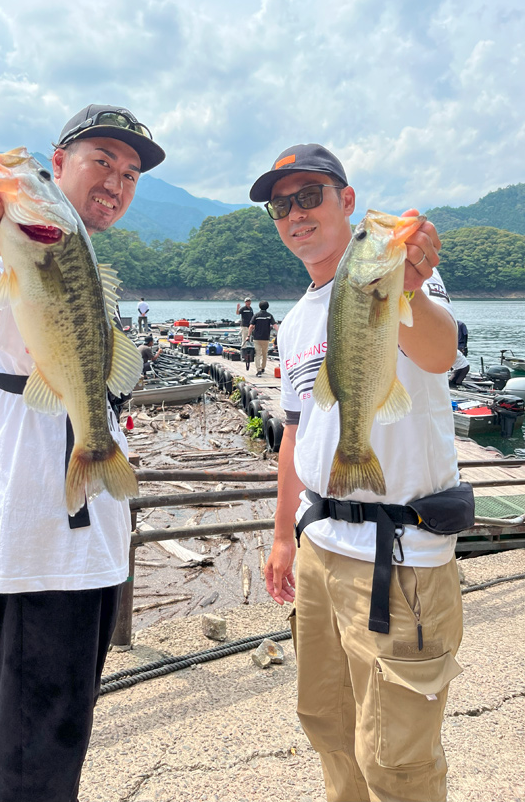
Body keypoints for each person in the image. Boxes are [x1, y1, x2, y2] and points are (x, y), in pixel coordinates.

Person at [0, 104, 165, 802]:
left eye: (130, 174)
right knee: (29, 759)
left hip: (94, 548)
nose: (116, 182)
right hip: (40, 555)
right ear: (57, 166)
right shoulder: (14, 248)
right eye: (102, 161)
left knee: (62, 740)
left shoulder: (83, 261)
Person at [251, 143, 467, 802]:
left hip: (399, 558)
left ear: (346, 202)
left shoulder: (398, 276)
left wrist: (406, 284)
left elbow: (439, 353)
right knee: (328, 725)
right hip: (320, 549)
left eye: (309, 196)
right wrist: (285, 536)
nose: (295, 214)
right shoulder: (292, 322)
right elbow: (297, 431)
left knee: (397, 763)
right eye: (281, 205)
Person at [247, 300, 277, 376]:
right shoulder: (269, 315)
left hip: (256, 338)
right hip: (266, 338)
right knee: (264, 354)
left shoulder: (256, 315)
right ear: (267, 307)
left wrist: (248, 336)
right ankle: (263, 367)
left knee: (257, 354)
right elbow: (275, 325)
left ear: (259, 306)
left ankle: (258, 370)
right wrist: (279, 333)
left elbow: (250, 326)